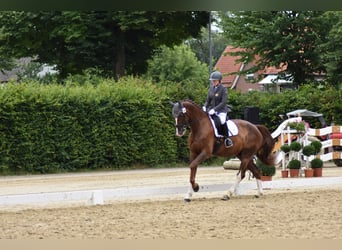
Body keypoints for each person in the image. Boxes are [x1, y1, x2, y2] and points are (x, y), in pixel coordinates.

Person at [202, 71, 233, 148]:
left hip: (221, 111)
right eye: (212, 80)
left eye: (214, 80)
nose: (213, 82)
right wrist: (205, 106)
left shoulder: (223, 89)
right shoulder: (211, 89)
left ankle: (227, 139)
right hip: (211, 110)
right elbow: (208, 100)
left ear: (219, 80)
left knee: (222, 121)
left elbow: (223, 102)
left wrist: (214, 109)